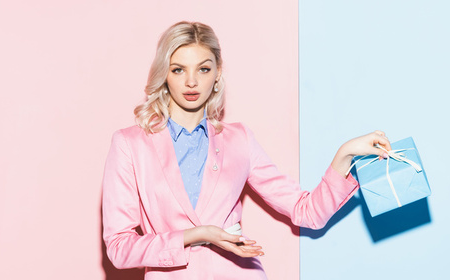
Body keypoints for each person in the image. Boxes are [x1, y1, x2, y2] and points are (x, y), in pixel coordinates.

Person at [101, 21, 391, 279]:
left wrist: (345, 154)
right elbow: (118, 247)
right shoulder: (130, 144)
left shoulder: (238, 139)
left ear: (217, 73)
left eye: (203, 68)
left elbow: (307, 213)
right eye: (178, 70)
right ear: (165, 74)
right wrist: (196, 235)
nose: (192, 82)